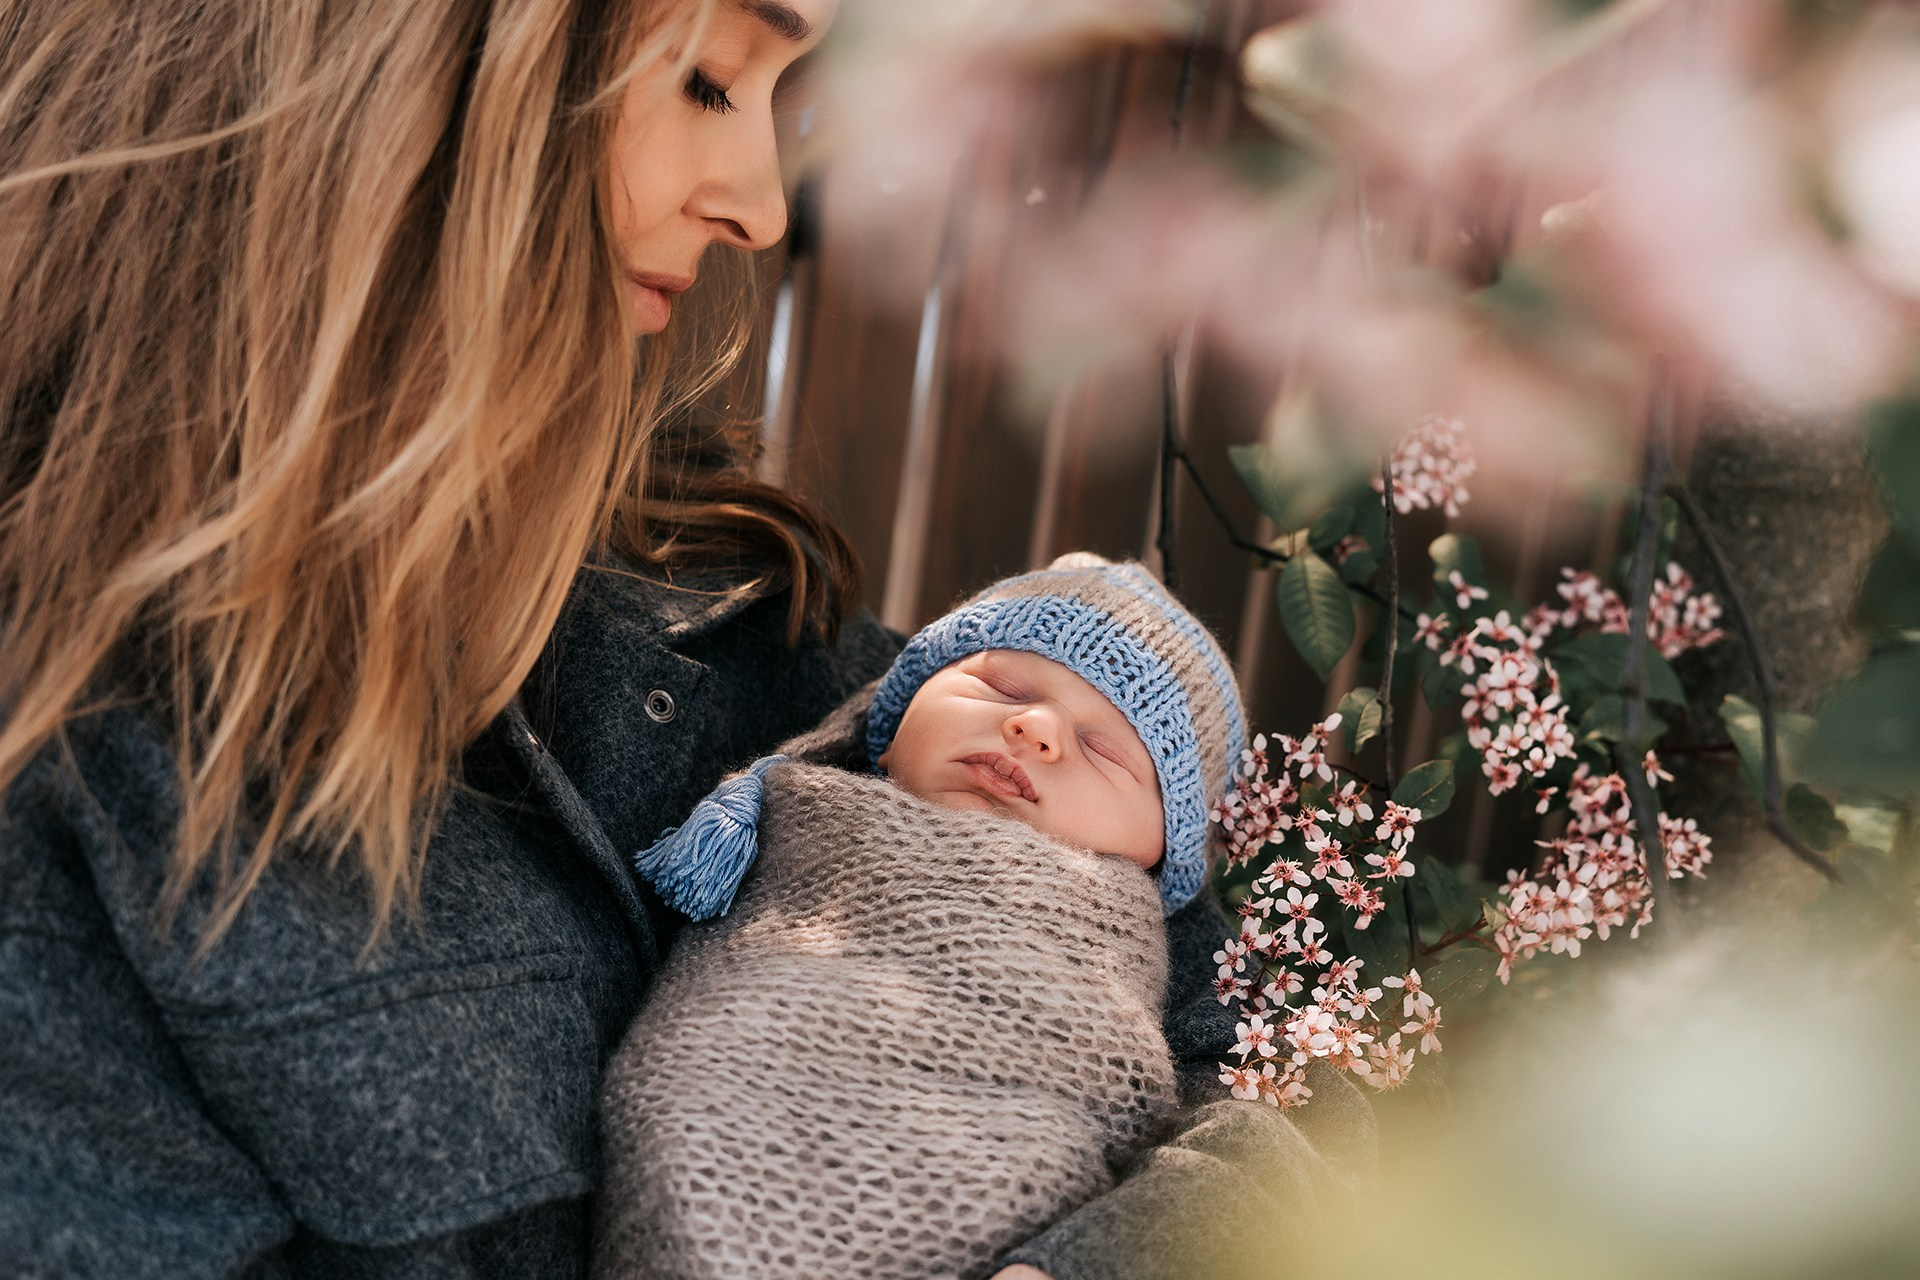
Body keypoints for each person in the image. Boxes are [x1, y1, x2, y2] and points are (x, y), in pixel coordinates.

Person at [0, 1, 1372, 1277]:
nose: (764, 207)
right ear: (401, 74)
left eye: (781, 98)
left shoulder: (712, 592)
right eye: (710, 77)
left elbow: (1244, 1080)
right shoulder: (79, 810)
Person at [593, 555, 1252, 1279]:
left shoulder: (1174, 950)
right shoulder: (798, 813)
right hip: (710, 1142)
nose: (1034, 728)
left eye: (1105, 750)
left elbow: (1258, 1138)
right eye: (1000, 686)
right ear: (901, 704)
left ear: (1164, 850)